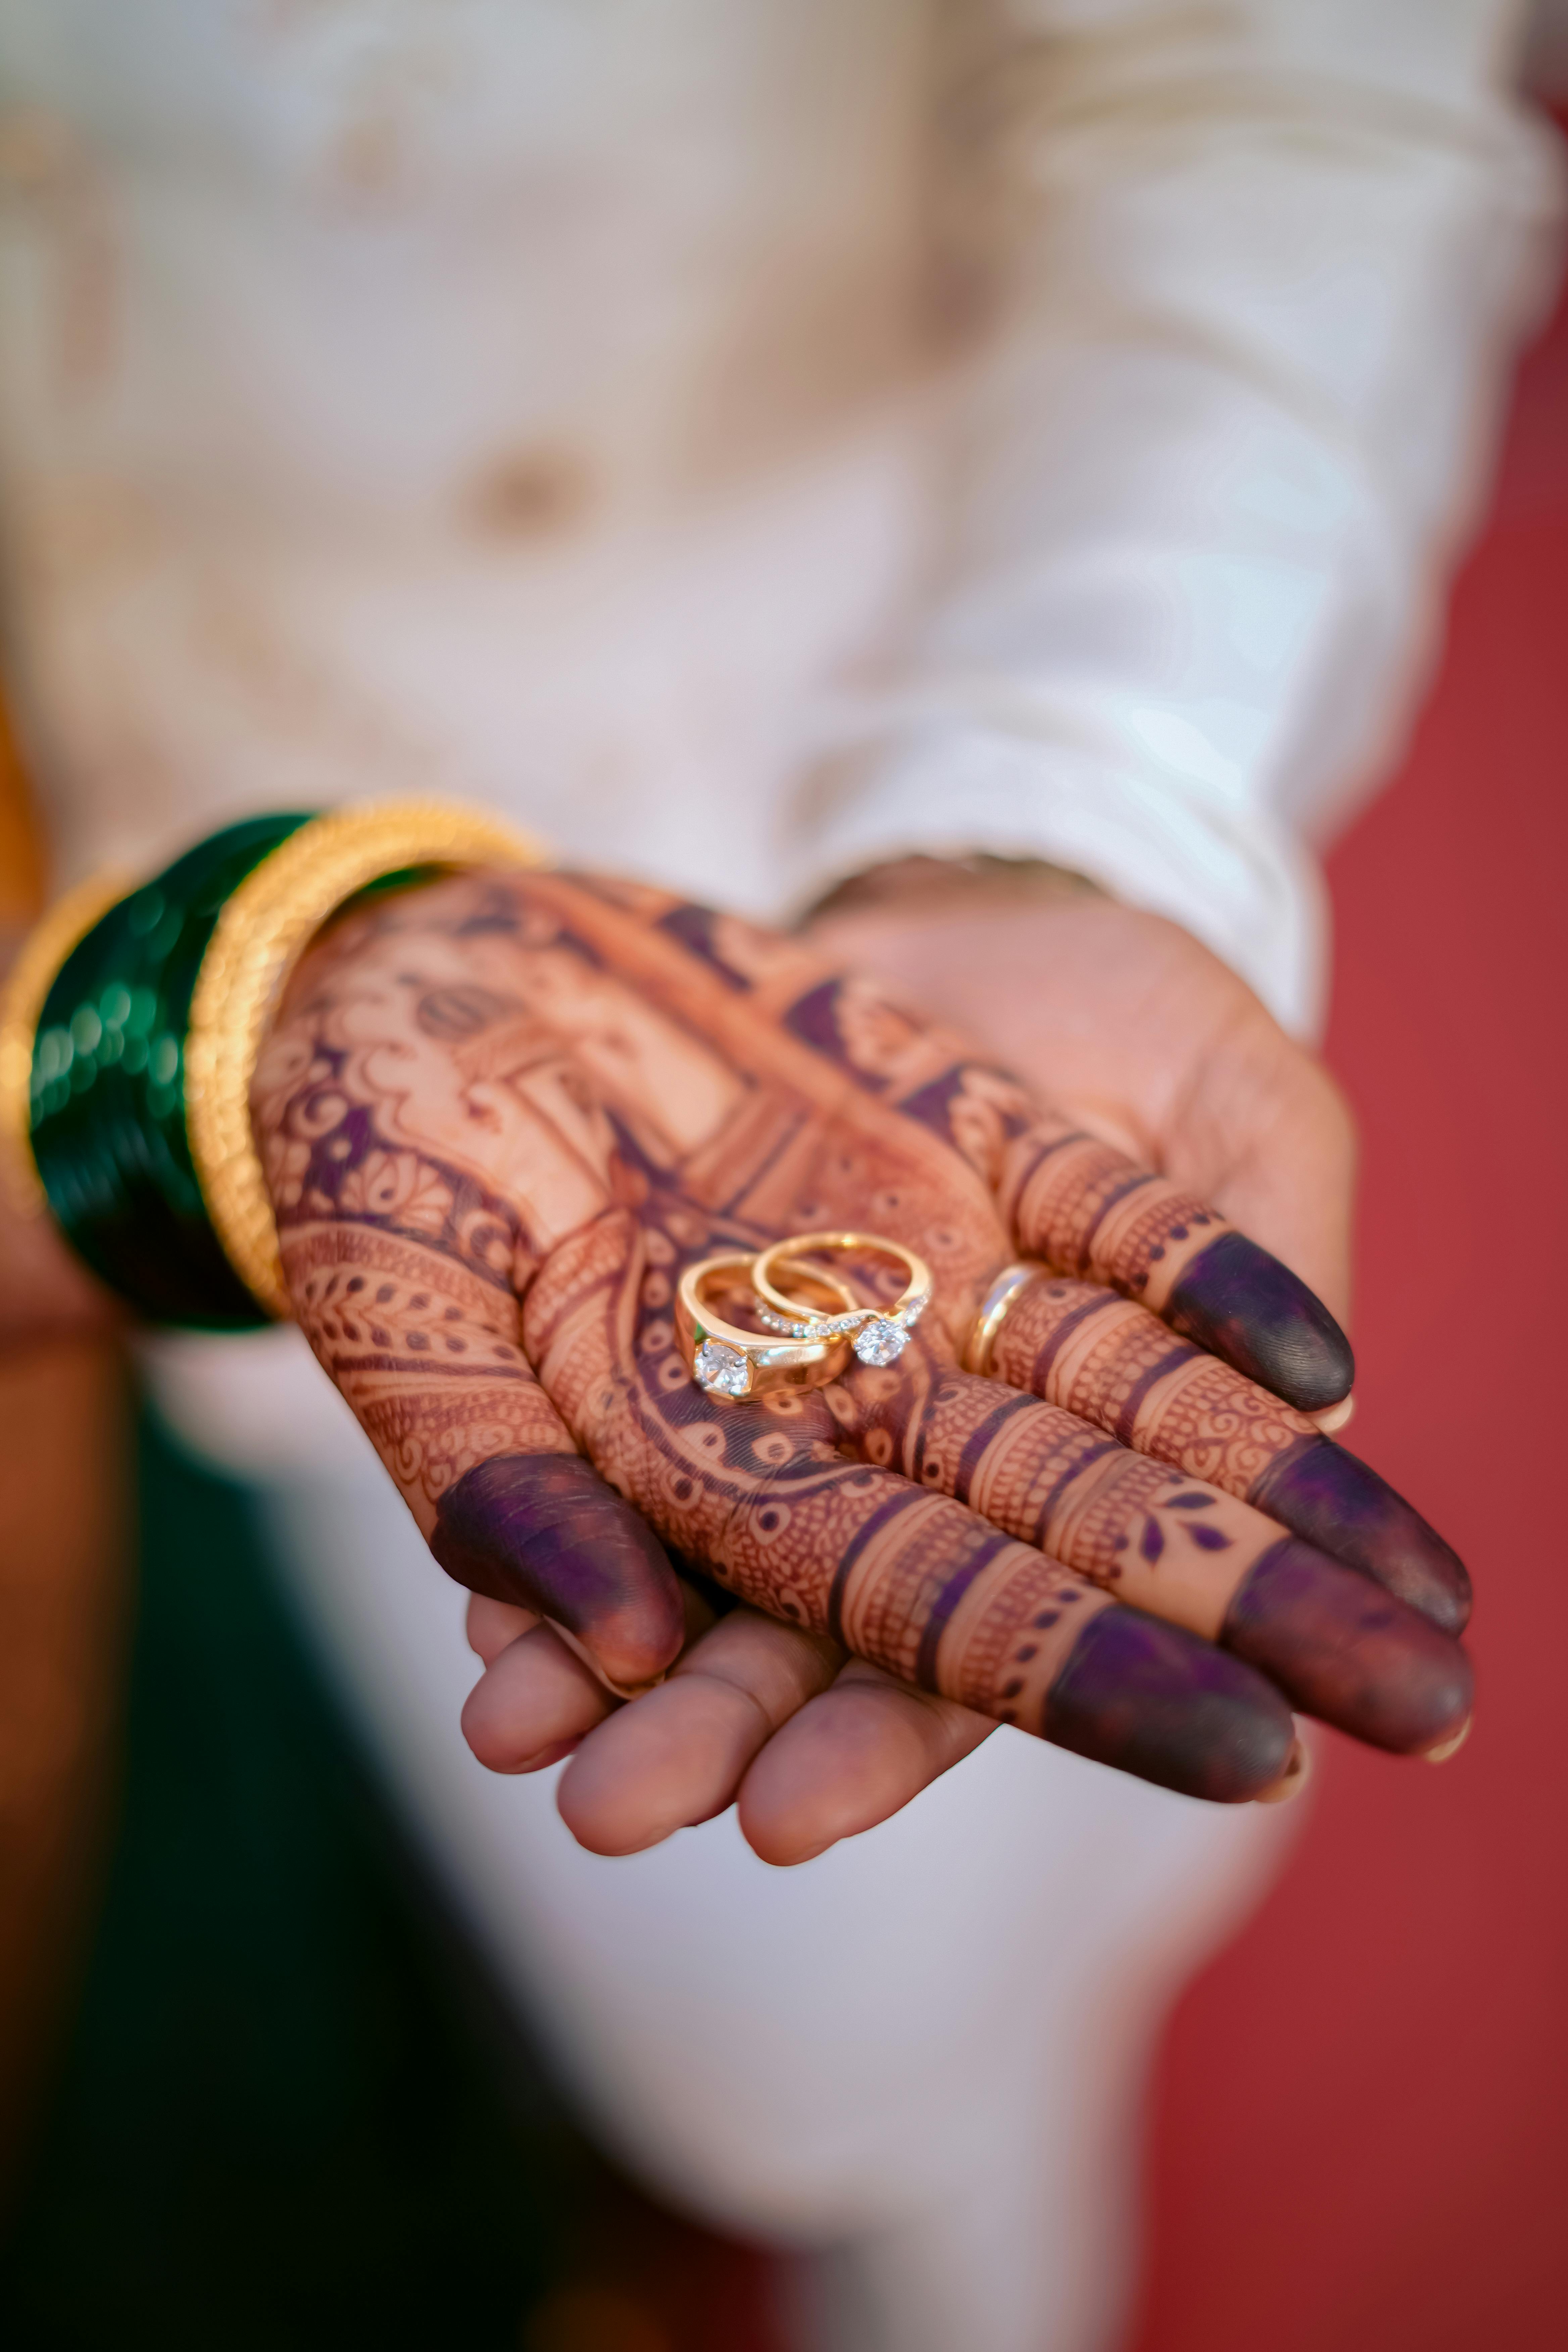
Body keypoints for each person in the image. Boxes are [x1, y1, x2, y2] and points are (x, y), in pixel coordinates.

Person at [0, 6, 1559, 2349]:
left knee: (1013, 1822)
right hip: (291, 1034)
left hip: (935, 856)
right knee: (727, 1997)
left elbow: (1282, 84)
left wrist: (1069, 814)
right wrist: (206, 1031)